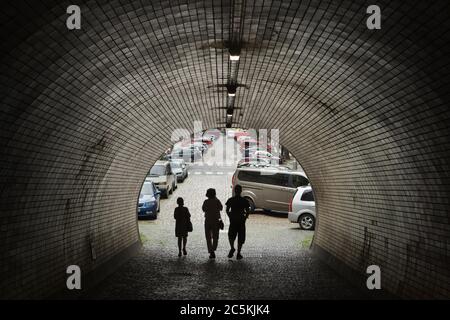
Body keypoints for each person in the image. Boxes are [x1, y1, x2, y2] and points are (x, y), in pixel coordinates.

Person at [225, 185, 250, 260]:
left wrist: (230, 216)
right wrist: (245, 217)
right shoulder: (244, 201)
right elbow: (247, 211)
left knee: (231, 235)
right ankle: (238, 253)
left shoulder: (231, 200)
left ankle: (232, 248)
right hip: (241, 220)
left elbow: (227, 210)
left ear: (235, 191)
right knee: (241, 237)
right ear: (241, 191)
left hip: (233, 220)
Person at [202, 188, 223, 259]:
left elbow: (203, 209)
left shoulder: (206, 201)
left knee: (208, 237)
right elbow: (221, 208)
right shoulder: (217, 201)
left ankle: (211, 251)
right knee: (215, 236)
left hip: (208, 220)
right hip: (216, 220)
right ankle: (213, 248)